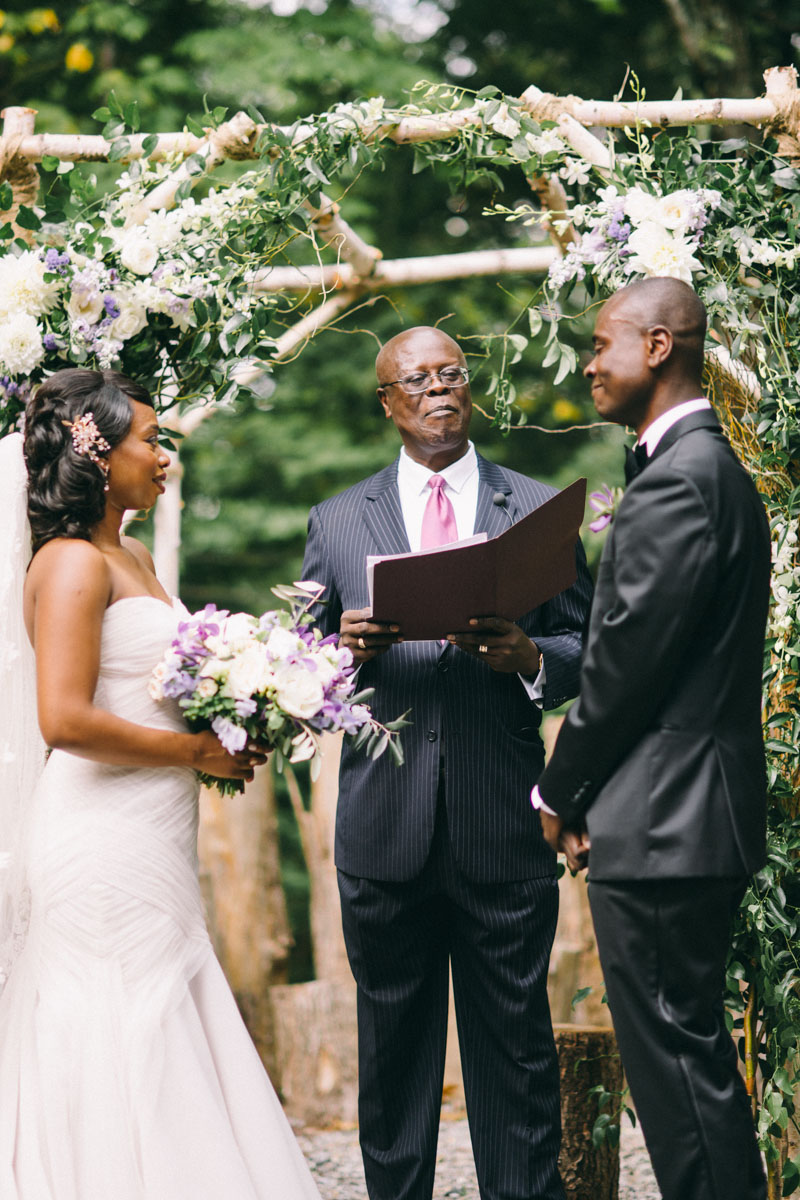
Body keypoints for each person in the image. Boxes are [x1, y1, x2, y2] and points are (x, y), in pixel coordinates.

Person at [0, 368, 323, 1200]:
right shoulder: (72, 564)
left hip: (152, 829)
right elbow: (64, 721)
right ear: (98, 454)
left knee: (164, 996)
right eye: (151, 439)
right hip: (98, 837)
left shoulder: (132, 553)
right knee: (119, 1014)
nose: (165, 456)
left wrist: (247, 701)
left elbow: (161, 678)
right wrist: (197, 756)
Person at [301, 325, 593, 1200]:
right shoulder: (337, 519)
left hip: (501, 817)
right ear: (387, 403)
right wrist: (340, 650)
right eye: (417, 379)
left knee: (517, 1054)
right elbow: (295, 665)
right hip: (384, 830)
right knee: (393, 1063)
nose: (440, 390)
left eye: (453, 374)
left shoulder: (538, 509)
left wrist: (532, 659)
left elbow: (590, 645)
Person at [533, 278, 770, 1200]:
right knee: (686, 1057)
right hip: (679, 813)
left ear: (660, 346)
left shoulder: (681, 480)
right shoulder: (696, 471)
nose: (590, 363)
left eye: (602, 345)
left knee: (676, 1067)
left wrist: (562, 790)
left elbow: (627, 666)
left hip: (670, 823)